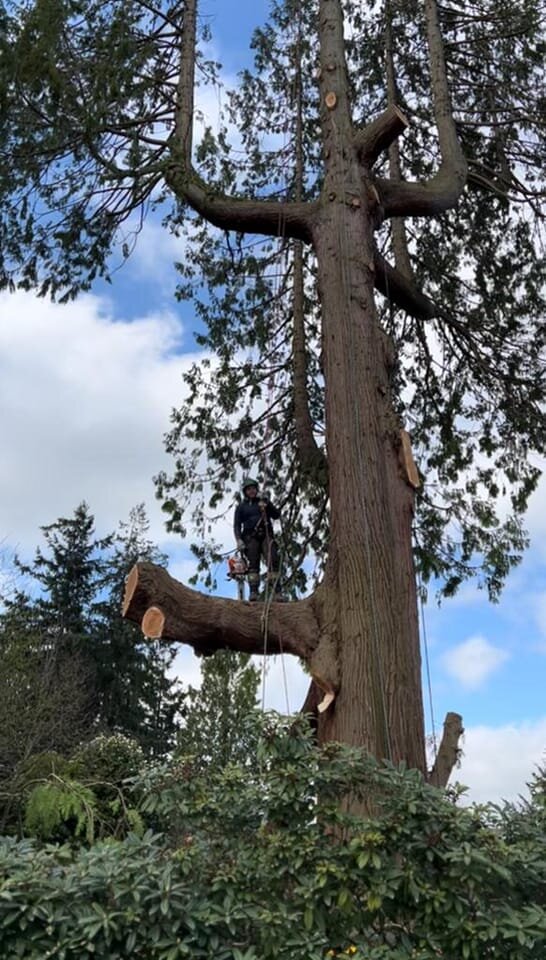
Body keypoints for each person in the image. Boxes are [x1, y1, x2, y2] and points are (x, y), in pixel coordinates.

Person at [233, 477, 284, 601]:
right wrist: (239, 539)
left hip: (266, 535)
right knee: (253, 564)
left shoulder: (263, 502)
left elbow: (276, 515)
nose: (251, 491)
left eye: (253, 489)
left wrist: (268, 504)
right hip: (250, 538)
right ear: (245, 491)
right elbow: (237, 525)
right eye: (248, 489)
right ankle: (253, 592)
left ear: (256, 489)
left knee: (273, 559)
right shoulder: (241, 507)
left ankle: (277, 592)